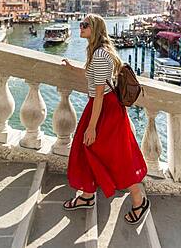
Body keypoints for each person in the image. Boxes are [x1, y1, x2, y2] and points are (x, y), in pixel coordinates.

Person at [62, 14, 150, 224]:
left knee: (114, 156)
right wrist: (73, 68)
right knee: (87, 149)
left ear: (95, 29)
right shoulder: (96, 52)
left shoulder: (101, 54)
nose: (80, 27)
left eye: (85, 25)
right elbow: (92, 75)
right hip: (101, 107)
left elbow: (100, 92)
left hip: (105, 109)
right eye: (81, 24)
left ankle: (139, 201)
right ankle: (87, 195)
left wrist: (92, 127)